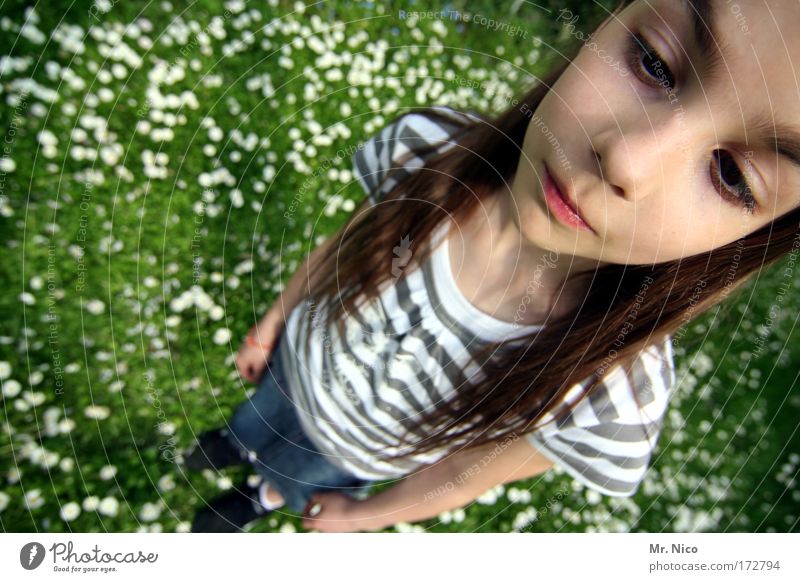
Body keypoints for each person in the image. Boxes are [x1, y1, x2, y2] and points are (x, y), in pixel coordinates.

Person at [188, 0, 800, 532]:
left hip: (353, 453)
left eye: (733, 176)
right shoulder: (429, 150)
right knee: (259, 417)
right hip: (297, 366)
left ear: (758, 237)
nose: (626, 162)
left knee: (297, 473)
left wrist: (358, 515)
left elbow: (460, 476)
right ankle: (235, 444)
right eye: (655, 62)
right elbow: (344, 251)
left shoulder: (603, 394)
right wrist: (274, 322)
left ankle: (261, 496)